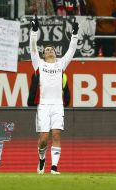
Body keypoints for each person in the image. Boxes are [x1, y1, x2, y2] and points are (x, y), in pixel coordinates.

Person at [29, 15, 78, 174]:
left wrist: (75, 34)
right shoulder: (39, 64)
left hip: (58, 105)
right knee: (44, 138)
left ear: (55, 53)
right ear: (43, 55)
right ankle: (42, 159)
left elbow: (71, 50)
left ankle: (54, 167)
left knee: (56, 134)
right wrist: (34, 32)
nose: (49, 51)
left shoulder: (61, 64)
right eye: (46, 50)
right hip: (43, 105)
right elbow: (33, 48)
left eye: (51, 49)